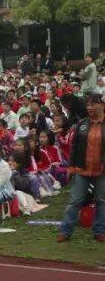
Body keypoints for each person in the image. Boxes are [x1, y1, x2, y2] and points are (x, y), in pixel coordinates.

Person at [58, 91, 104, 242]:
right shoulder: (82, 124)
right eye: (88, 104)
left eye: (93, 103)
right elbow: (74, 147)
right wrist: (70, 167)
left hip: (102, 170)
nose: (90, 107)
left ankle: (99, 231)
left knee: (101, 201)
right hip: (81, 169)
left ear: (102, 105)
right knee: (75, 201)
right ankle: (65, 231)